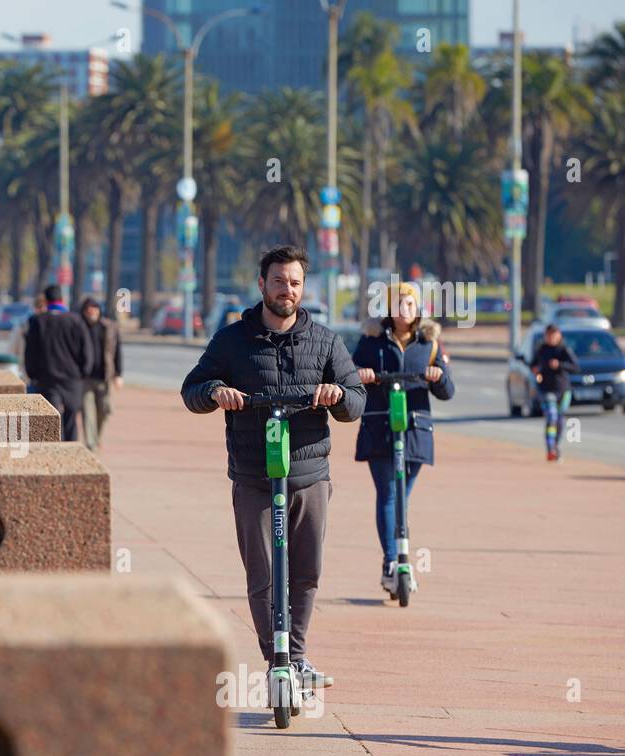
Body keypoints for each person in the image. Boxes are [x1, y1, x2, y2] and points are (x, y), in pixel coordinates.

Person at [181, 245, 366, 689]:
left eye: (295, 282)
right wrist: (215, 392)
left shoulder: (325, 340)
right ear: (261, 283)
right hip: (253, 476)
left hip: (308, 476)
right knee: (262, 573)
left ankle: (297, 657)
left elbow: (357, 399)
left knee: (306, 572)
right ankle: (276, 657)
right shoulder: (231, 340)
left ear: (304, 287)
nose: (288, 290)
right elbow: (191, 390)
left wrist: (338, 396)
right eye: (279, 280)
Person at [352, 282, 455, 594]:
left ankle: (400, 555)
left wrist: (438, 376)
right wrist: (361, 375)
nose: (403, 310)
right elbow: (348, 375)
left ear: (418, 309)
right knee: (388, 495)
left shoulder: (430, 345)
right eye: (398, 304)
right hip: (380, 427)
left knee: (402, 498)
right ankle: (391, 561)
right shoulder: (371, 342)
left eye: (409, 304)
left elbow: (447, 391)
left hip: (415, 431)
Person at [23, 284, 94, 442]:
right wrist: (84, 372)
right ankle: (71, 451)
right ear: (62, 299)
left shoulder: (37, 321)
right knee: (71, 420)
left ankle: (54, 453)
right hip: (72, 379)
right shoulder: (76, 321)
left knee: (51, 419)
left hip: (47, 378)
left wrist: (33, 374)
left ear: (46, 300)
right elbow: (87, 351)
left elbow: (30, 352)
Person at [78, 297, 123, 450]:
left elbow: (117, 352)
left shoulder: (109, 327)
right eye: (88, 309)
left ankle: (97, 437)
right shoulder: (79, 327)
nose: (92, 312)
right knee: (87, 411)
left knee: (104, 409)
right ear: (84, 312)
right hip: (84, 378)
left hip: (103, 377)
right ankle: (91, 443)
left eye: (95, 308)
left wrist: (118, 374)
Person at [530, 323, 580, 462]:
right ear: (546, 335)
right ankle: (550, 448)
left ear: (559, 335)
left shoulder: (564, 350)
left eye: (554, 334)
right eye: (549, 334)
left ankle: (556, 446)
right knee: (551, 417)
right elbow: (533, 364)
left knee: (559, 420)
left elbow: (576, 367)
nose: (551, 337)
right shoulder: (542, 349)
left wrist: (560, 365)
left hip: (563, 390)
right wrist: (535, 370)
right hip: (546, 389)